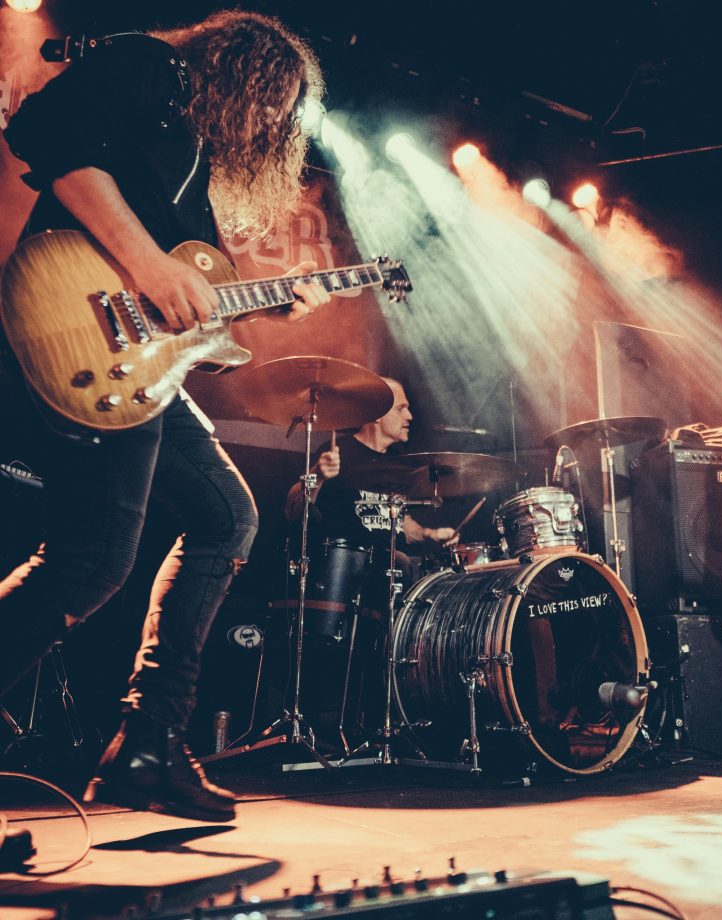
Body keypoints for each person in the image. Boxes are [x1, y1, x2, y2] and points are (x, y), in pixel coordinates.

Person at [0, 11, 332, 820]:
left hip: (135, 361)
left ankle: (148, 746)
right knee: (91, 560)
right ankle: (144, 753)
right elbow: (44, 130)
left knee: (225, 519)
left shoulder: (183, 168)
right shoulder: (151, 66)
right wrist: (149, 265)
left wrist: (267, 307)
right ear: (243, 69)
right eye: (271, 100)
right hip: (75, 325)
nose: (270, 124)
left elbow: (187, 305)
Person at [284, 378, 457, 559]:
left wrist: (430, 534)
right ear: (377, 413)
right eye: (400, 408)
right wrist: (317, 475)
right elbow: (291, 510)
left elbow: (399, 521)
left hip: (391, 571)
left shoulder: (398, 462)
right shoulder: (338, 451)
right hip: (346, 567)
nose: (409, 416)